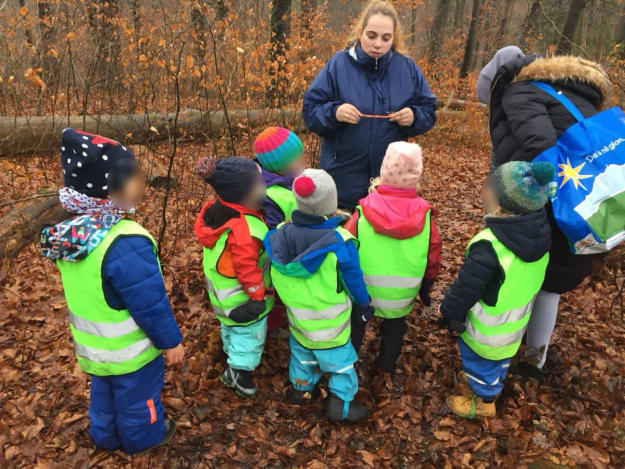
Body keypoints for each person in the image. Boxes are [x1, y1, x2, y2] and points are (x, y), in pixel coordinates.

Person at [40, 129, 183, 454]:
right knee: (138, 399)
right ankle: (143, 440)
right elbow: (149, 302)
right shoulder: (125, 241)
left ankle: (104, 436)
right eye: (134, 175)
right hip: (131, 352)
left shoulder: (72, 233)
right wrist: (170, 341)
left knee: (104, 394)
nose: (142, 180)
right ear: (111, 188)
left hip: (93, 348)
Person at [477, 49, 612, 374]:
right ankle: (535, 356)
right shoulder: (564, 89)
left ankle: (507, 352)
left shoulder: (518, 90)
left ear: (495, 84)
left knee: (525, 274)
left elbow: (540, 143)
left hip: (555, 202)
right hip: (588, 198)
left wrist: (537, 196)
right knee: (552, 281)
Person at [439, 161, 554, 418]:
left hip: (485, 330)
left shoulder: (489, 245)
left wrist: (448, 311)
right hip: (514, 326)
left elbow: (466, 289)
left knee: (480, 364)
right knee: (497, 362)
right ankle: (491, 380)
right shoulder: (542, 237)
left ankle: (483, 402)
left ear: (502, 202)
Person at [302, 0, 436, 209]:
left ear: (394, 38)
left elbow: (428, 111)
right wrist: (335, 112)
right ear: (361, 32)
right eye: (371, 36)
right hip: (342, 178)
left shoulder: (407, 68)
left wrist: (414, 116)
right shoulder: (338, 65)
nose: (378, 44)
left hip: (389, 183)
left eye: (386, 38)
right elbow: (311, 111)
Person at [265, 169, 373, 422]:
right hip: (332, 323)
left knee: (303, 355)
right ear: (331, 205)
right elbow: (353, 279)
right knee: (341, 363)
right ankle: (341, 406)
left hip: (299, 318)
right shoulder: (339, 242)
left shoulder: (279, 236)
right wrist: (363, 303)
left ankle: (301, 391)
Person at [345, 142, 442, 396]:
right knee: (395, 328)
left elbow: (346, 247)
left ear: (383, 172)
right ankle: (386, 367)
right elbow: (433, 253)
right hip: (402, 294)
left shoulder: (363, 211)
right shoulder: (425, 215)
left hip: (364, 291)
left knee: (357, 325)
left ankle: (349, 365)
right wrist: (428, 283)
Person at [194, 157, 274, 398]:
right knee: (250, 335)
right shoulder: (243, 229)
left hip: (221, 295)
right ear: (244, 194)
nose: (264, 187)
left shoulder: (215, 211)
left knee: (232, 329)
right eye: (258, 184)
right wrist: (257, 297)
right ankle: (240, 373)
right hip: (242, 297)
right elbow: (246, 268)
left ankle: (231, 359)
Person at [254, 127, 306, 334]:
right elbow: (272, 232)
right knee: (273, 293)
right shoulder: (269, 194)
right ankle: (271, 328)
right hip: (274, 257)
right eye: (297, 157)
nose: (303, 159)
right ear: (280, 165)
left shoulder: (285, 181)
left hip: (287, 248)